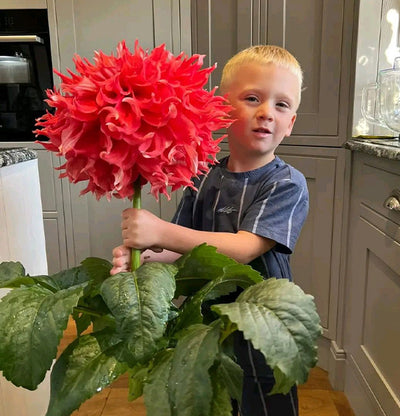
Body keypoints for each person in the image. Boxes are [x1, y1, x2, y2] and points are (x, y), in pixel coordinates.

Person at [111, 45, 309, 416]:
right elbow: (180, 248)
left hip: (263, 325)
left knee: (266, 400)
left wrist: (159, 230)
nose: (267, 112)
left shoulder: (287, 183)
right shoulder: (200, 176)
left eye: (282, 105)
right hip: (204, 322)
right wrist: (147, 254)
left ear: (291, 121)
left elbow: (246, 247)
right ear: (220, 108)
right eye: (252, 98)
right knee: (212, 399)